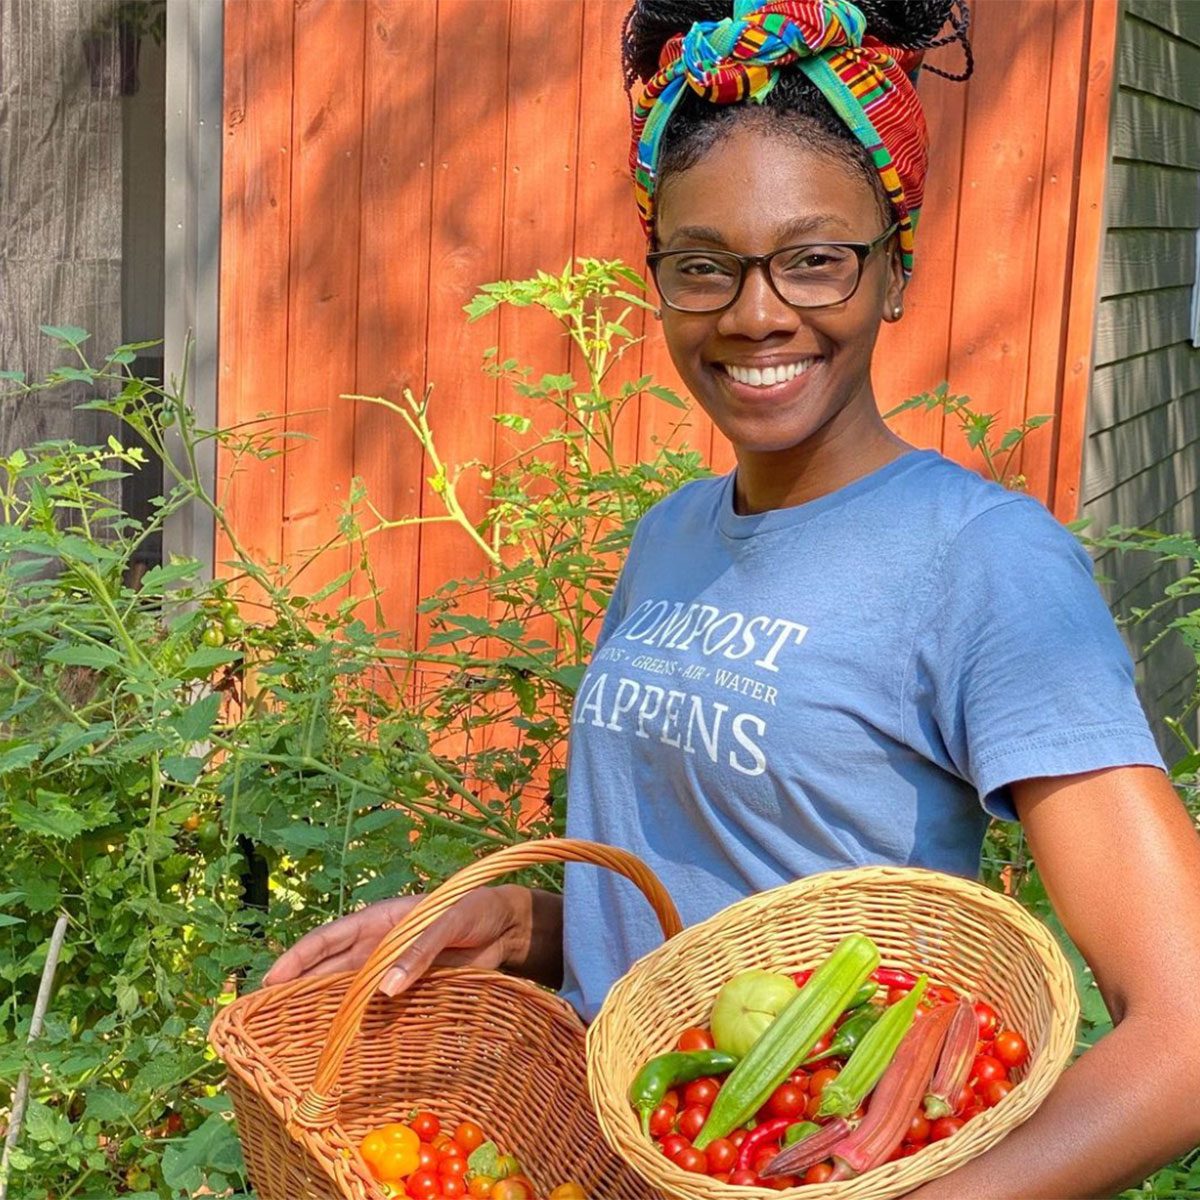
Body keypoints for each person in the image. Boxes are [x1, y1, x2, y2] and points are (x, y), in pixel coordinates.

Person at [266, 2, 1200, 1194]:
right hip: (604, 1154)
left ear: (895, 270)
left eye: (816, 258)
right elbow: (713, 919)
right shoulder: (673, 538)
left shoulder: (985, 562)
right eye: (705, 265)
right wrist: (530, 928)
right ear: (661, 280)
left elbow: (1184, 1040)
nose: (758, 313)